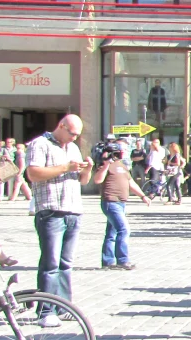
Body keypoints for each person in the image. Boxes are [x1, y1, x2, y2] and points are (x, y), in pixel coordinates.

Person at [26, 114, 93, 327]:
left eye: (78, 135)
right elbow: (33, 173)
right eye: (72, 133)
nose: (74, 138)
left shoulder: (72, 148)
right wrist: (65, 167)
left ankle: (64, 306)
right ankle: (46, 310)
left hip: (73, 210)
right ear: (61, 126)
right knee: (51, 263)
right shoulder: (40, 144)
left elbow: (82, 180)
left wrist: (87, 170)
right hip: (51, 210)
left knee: (66, 263)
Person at [93, 138, 150, 270]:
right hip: (110, 201)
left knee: (111, 233)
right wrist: (106, 164)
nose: (122, 152)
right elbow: (97, 180)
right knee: (124, 229)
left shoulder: (122, 166)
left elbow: (131, 183)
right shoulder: (105, 165)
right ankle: (122, 260)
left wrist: (143, 196)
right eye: (120, 149)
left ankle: (108, 261)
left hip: (121, 203)